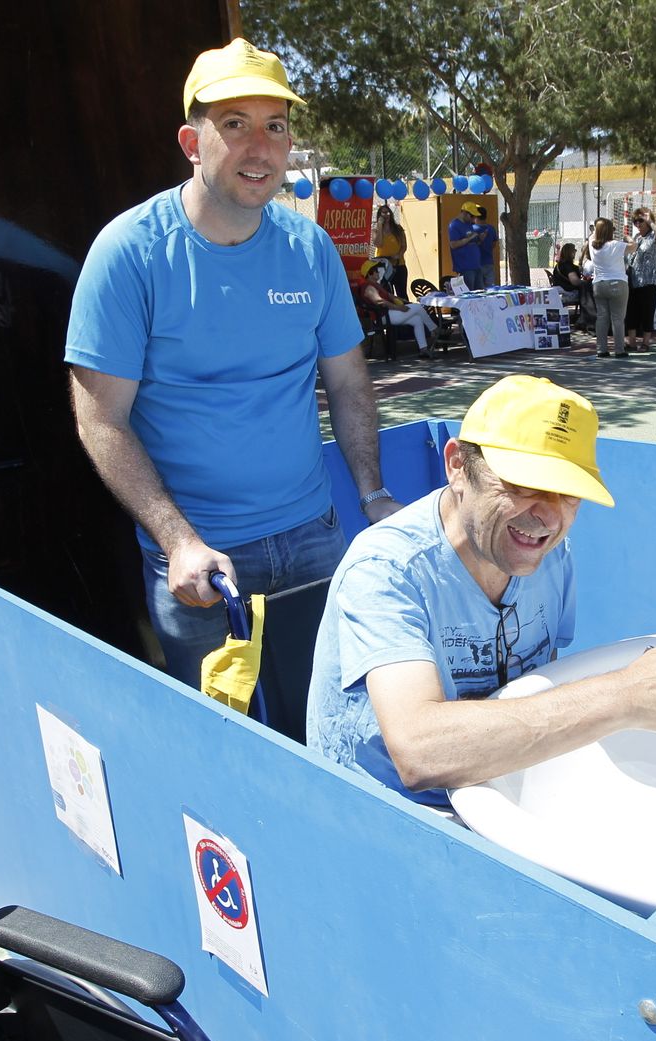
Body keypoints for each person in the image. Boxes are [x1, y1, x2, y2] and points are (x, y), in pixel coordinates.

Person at [65, 38, 402, 688]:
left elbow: (349, 382)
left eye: (275, 126)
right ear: (192, 143)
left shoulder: (310, 248)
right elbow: (100, 421)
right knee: (222, 752)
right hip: (202, 563)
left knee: (326, 722)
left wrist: (373, 491)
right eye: (235, 125)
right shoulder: (129, 253)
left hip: (314, 537)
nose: (261, 148)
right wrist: (176, 538)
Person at [306, 375, 656, 805]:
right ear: (456, 466)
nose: (549, 517)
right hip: (387, 810)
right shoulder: (385, 570)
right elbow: (420, 751)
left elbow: (536, 686)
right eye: (523, 484)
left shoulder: (550, 554)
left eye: (569, 492)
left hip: (493, 781)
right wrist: (626, 695)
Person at [357, 257, 436, 358]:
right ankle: (435, 329)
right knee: (418, 308)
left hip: (390, 313)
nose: (378, 273)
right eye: (376, 271)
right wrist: (399, 308)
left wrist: (404, 301)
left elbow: (390, 296)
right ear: (370, 273)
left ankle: (423, 349)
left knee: (417, 319)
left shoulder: (377, 285)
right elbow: (380, 301)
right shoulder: (368, 287)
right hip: (383, 316)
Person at [588, 217, 633, 358]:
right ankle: (619, 350)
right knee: (618, 318)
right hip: (617, 283)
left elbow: (592, 235)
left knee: (602, 318)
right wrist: (629, 238)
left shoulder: (592, 245)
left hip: (599, 285)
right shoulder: (616, 245)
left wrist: (599, 227)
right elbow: (634, 247)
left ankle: (601, 349)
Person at [623, 207, 656, 352]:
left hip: (649, 281)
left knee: (647, 311)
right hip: (633, 280)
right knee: (631, 311)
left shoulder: (653, 235)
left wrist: (650, 222)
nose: (638, 224)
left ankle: (646, 342)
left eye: (641, 221)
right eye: (636, 221)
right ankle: (631, 341)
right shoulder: (636, 238)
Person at [372, 204, 409, 300]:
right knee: (387, 294)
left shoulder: (398, 229)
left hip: (398, 265)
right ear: (379, 215)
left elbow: (404, 246)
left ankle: (406, 312)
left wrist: (398, 255)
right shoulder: (376, 230)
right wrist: (380, 226)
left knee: (402, 293)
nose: (386, 215)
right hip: (383, 266)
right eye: (383, 213)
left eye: (388, 212)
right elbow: (378, 244)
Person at [448, 202, 487, 290]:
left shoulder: (469, 224)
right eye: (472, 216)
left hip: (476, 265)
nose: (473, 219)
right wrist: (469, 239)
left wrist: (480, 239)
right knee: (469, 294)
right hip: (465, 267)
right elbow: (453, 245)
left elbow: (472, 243)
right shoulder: (454, 225)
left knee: (480, 293)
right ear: (464, 213)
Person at [473, 212, 499, 287]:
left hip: (477, 263)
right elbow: (494, 244)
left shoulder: (473, 229)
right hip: (489, 261)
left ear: (476, 217)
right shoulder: (491, 228)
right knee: (490, 287)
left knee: (479, 289)